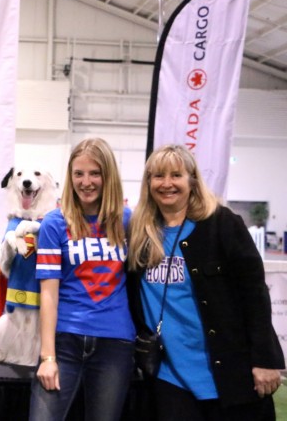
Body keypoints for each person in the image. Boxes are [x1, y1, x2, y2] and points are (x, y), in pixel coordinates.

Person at [127, 144, 285, 420]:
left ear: (192, 180)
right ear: (148, 182)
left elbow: (255, 295)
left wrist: (265, 359)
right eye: (158, 176)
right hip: (170, 378)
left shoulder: (222, 224)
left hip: (230, 373)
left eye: (176, 175)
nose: (166, 184)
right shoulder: (140, 234)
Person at [29, 137, 135, 421]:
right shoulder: (55, 223)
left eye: (95, 173)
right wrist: (47, 357)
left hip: (115, 343)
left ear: (107, 176)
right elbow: (48, 294)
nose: (86, 181)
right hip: (64, 341)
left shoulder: (128, 221)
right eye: (79, 173)